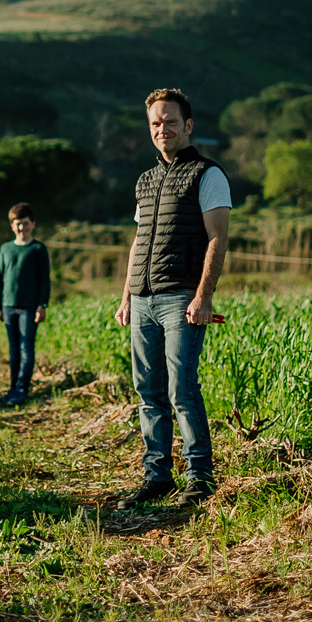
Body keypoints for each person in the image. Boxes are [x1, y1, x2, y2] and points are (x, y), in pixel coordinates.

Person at [114, 88, 230, 507]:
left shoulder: (207, 174)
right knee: (149, 391)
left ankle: (200, 477)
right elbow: (138, 241)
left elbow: (217, 238)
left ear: (188, 125)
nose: (163, 129)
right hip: (143, 300)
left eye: (170, 121)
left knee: (182, 388)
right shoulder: (145, 181)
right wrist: (127, 296)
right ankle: (157, 476)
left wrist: (204, 297)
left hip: (181, 299)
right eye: (155, 123)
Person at [0, 202, 51, 405]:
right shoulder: (5, 249)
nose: (22, 228)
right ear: (12, 225)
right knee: (13, 350)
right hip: (8, 306)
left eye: (25, 223)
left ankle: (22, 389)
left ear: (32, 224)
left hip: (29, 307)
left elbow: (45, 280)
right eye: (18, 224)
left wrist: (42, 305)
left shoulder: (38, 249)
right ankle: (12, 389)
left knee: (26, 348)